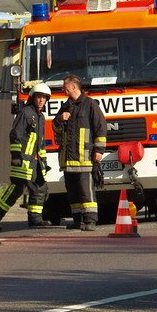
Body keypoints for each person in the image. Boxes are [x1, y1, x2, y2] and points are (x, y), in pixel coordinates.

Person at [0, 83, 53, 231]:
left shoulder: (40, 116)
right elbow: (15, 135)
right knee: (21, 188)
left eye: (44, 98)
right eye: (39, 97)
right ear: (33, 97)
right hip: (23, 160)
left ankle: (33, 218)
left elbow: (40, 142)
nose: (41, 100)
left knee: (37, 188)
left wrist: (43, 161)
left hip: (35, 162)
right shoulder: (26, 113)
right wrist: (16, 155)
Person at [52, 74, 106, 231]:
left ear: (74, 87)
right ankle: (78, 220)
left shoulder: (90, 104)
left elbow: (100, 127)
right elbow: (56, 127)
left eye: (65, 86)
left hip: (85, 157)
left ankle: (90, 220)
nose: (63, 88)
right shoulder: (66, 106)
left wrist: (99, 150)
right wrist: (60, 118)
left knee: (86, 190)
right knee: (73, 192)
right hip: (68, 160)